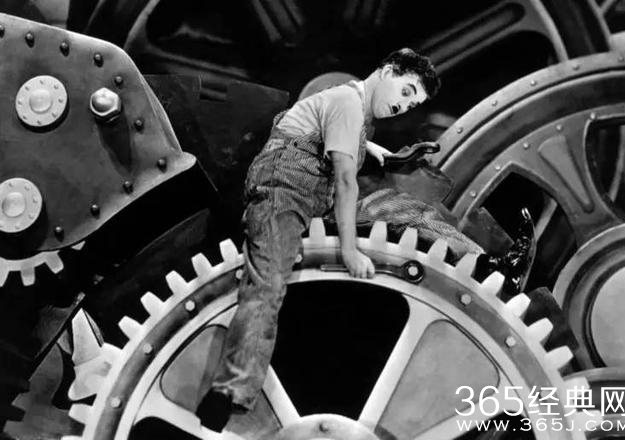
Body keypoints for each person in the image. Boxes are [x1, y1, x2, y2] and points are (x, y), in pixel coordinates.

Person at [196, 48, 533, 431]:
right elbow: (344, 180)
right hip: (282, 196)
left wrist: (386, 156)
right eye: (405, 91)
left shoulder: (349, 111)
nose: (403, 106)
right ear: (387, 71)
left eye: (413, 104)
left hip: (315, 198)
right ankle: (229, 394)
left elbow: (341, 147)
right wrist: (349, 249)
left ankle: (490, 269)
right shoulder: (346, 103)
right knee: (268, 284)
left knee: (403, 209)